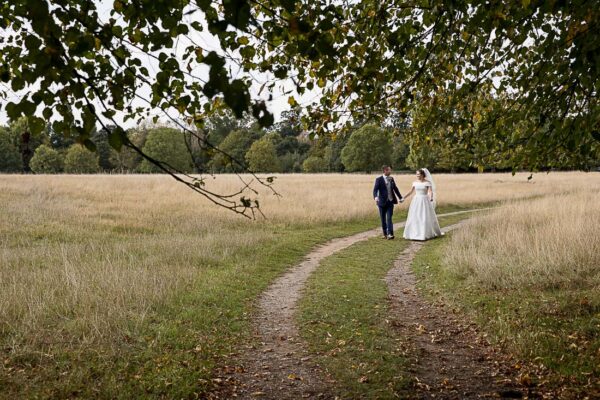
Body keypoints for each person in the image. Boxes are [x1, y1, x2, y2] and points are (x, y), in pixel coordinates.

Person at [402, 168, 442, 241]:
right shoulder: (415, 182)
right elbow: (411, 192)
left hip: (424, 200)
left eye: (419, 174)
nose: (417, 176)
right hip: (416, 200)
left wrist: (431, 198)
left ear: (423, 175)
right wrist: (404, 197)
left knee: (424, 216)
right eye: (416, 174)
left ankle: (425, 233)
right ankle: (414, 233)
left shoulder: (427, 182)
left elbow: (430, 191)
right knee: (415, 216)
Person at [373, 165, 403, 240]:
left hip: (390, 202)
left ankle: (390, 234)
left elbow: (395, 189)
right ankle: (385, 234)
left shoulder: (391, 179)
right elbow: (375, 190)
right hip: (381, 203)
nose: (390, 171)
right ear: (385, 171)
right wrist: (376, 198)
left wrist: (400, 197)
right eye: (389, 170)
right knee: (383, 219)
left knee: (389, 218)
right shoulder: (379, 179)